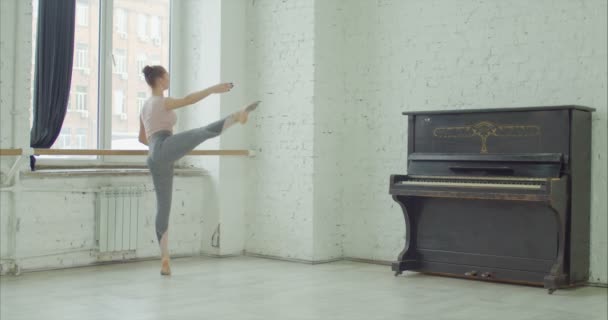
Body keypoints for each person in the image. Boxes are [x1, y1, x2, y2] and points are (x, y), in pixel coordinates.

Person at [138, 65, 259, 275]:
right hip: (164, 147)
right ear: (159, 80)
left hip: (155, 157)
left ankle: (165, 259)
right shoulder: (162, 101)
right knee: (201, 133)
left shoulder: (144, 107)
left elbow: (141, 138)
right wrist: (214, 89)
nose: (168, 80)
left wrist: (157, 146)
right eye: (166, 77)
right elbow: (188, 99)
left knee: (163, 207)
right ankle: (236, 116)